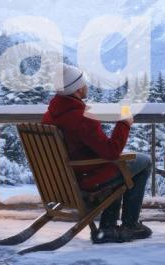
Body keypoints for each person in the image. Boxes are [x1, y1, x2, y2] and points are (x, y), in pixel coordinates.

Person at [41, 64, 152, 244]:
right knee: (144, 161)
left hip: (70, 179)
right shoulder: (81, 117)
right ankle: (130, 225)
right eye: (84, 83)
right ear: (77, 89)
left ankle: (108, 228)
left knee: (118, 169)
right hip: (86, 179)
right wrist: (124, 122)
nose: (87, 86)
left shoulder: (51, 115)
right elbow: (112, 152)